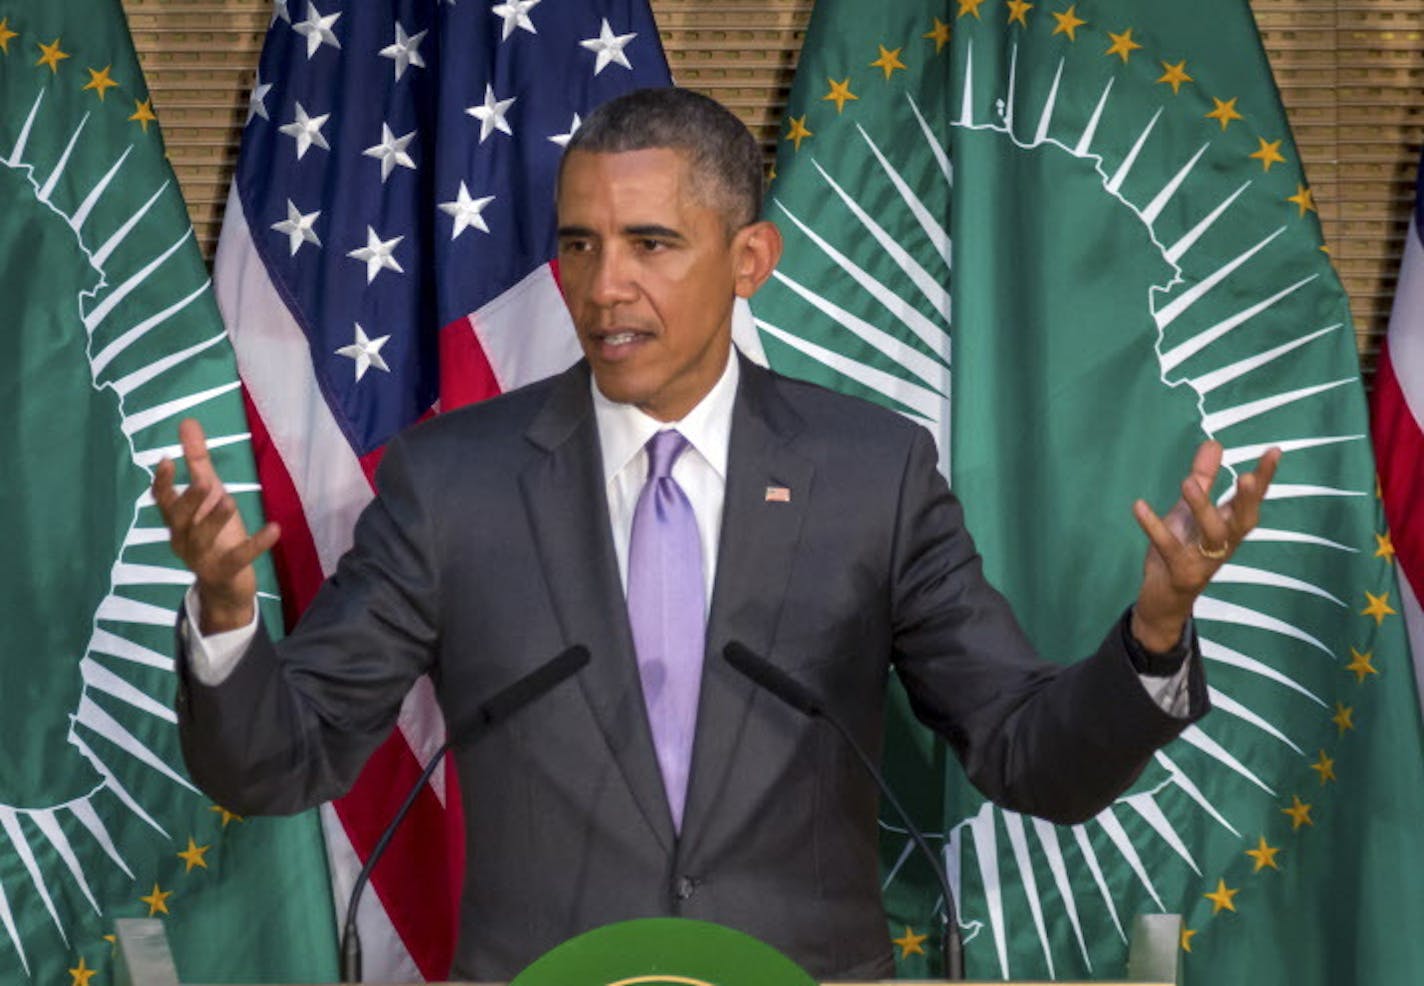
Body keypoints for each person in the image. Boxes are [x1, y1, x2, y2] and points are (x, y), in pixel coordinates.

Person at [155, 87, 1280, 981]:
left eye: (651, 242)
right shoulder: (453, 479)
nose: (607, 287)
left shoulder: (868, 473)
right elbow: (278, 756)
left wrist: (1152, 632)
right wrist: (223, 618)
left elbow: (1026, 750)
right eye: (581, 245)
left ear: (748, 261)